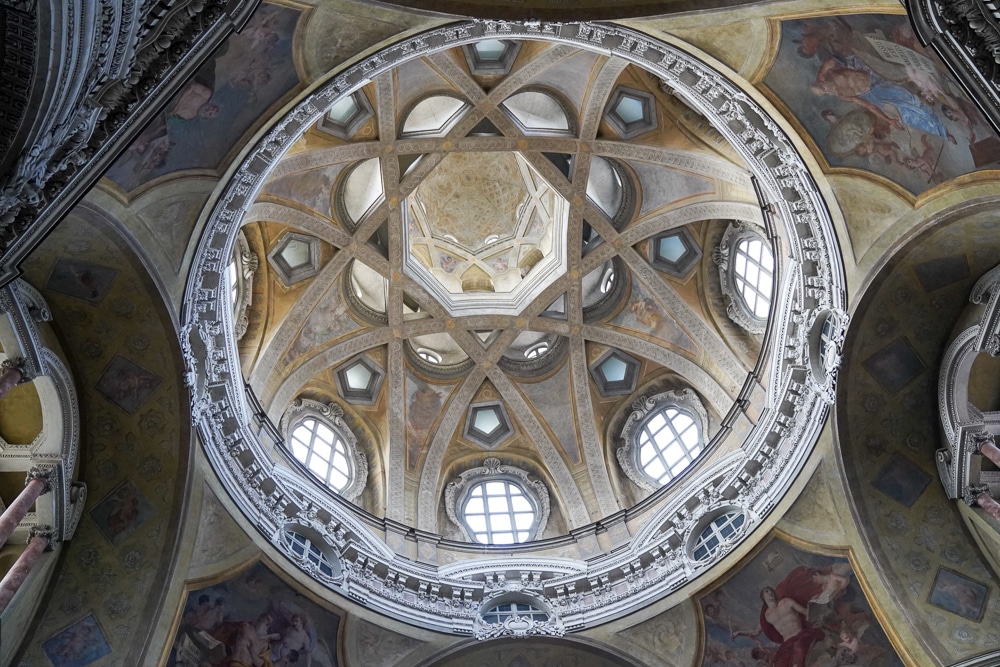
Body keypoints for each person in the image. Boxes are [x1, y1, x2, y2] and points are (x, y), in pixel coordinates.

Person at [734, 587, 825, 667]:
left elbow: (805, 612)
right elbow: (756, 632)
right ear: (763, 597)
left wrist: (813, 602)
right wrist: (739, 633)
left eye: (771, 591)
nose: (770, 592)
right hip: (787, 644)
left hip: (801, 635)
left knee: (798, 657)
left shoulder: (787, 602)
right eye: (767, 591)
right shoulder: (767, 615)